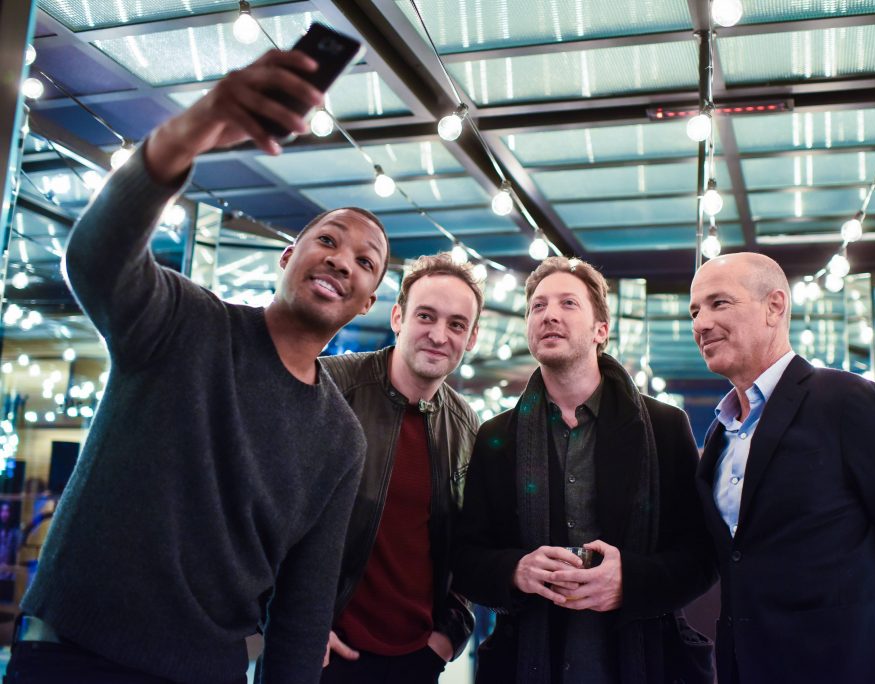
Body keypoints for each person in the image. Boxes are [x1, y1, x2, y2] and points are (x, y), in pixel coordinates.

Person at [8, 49, 388, 684]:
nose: (343, 260)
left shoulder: (340, 438)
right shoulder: (186, 321)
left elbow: (303, 607)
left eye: (365, 261)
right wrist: (195, 127)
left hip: (204, 670)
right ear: (288, 256)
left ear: (368, 301)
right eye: (327, 239)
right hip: (70, 655)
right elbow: (98, 260)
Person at [687, 252, 875, 684]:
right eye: (695, 310)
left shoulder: (848, 401)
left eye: (719, 303)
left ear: (775, 306)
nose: (701, 323)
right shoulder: (719, 435)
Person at [453, 256, 717, 684]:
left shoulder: (665, 428)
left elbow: (702, 558)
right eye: (537, 306)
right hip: (528, 663)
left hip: (646, 662)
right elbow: (465, 559)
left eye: (568, 304)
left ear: (601, 331)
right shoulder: (496, 437)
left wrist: (628, 581)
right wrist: (515, 571)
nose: (549, 314)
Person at [319, 254, 481, 683]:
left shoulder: (467, 427)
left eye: (457, 325)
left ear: (472, 337)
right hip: (319, 651)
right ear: (397, 317)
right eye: (426, 316)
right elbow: (265, 509)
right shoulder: (331, 387)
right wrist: (290, 621)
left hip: (416, 661)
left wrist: (448, 636)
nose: (439, 335)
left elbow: (469, 544)